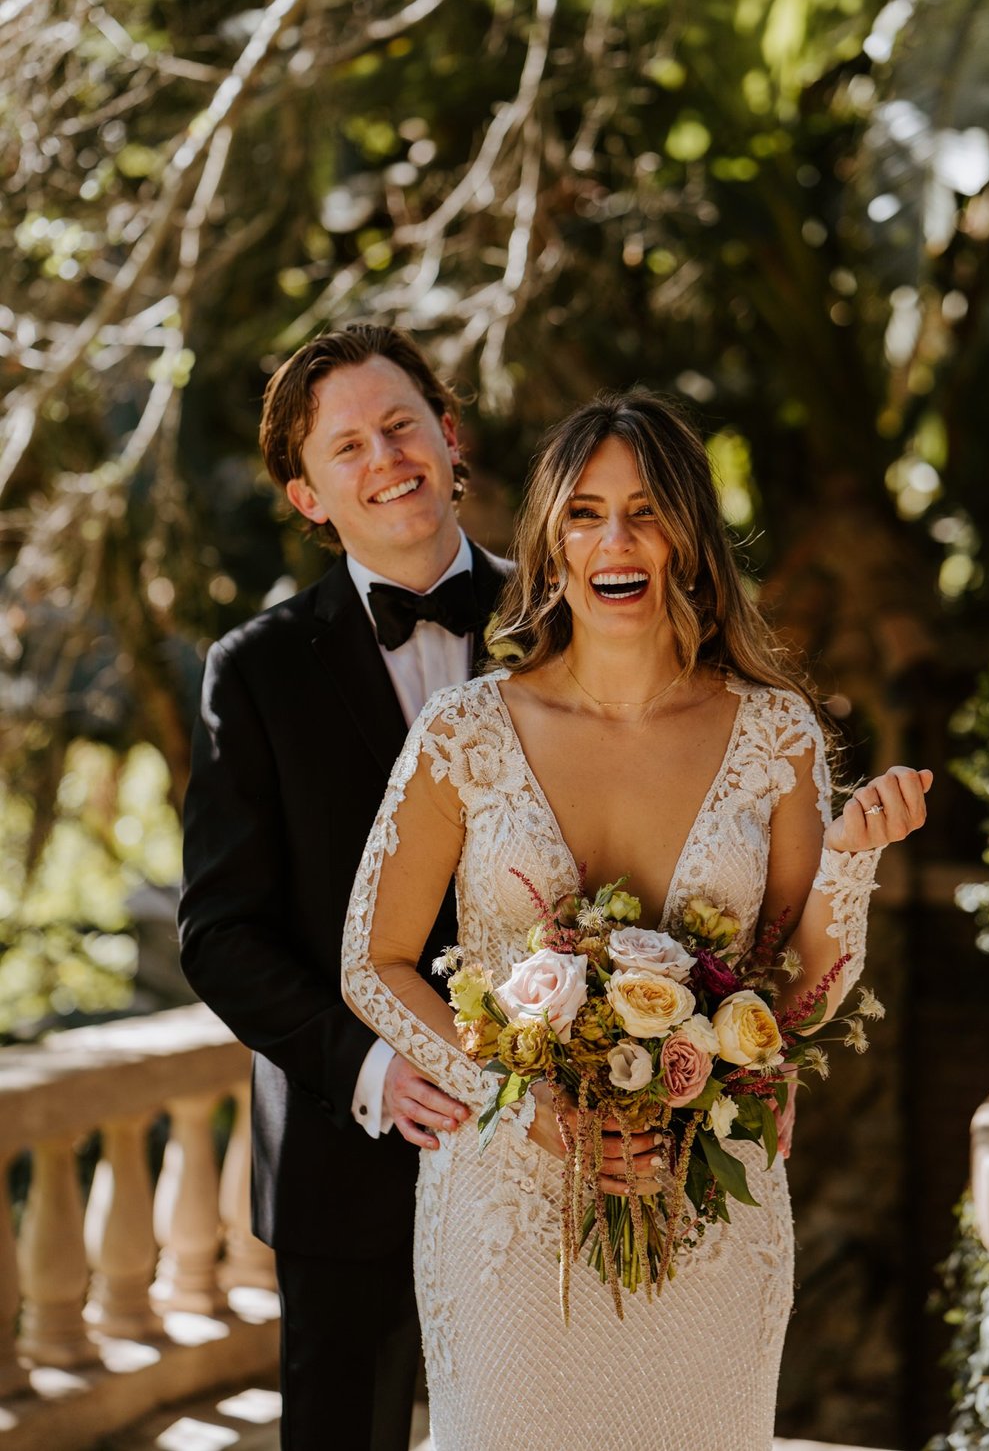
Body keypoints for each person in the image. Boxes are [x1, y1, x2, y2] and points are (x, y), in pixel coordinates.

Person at [341, 389, 931, 1451]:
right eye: (584, 512)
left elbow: (798, 995)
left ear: (689, 541)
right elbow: (371, 962)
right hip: (508, 1214)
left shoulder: (775, 734)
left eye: (647, 510)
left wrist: (849, 864)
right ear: (550, 543)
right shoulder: (463, 732)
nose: (615, 539)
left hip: (708, 1198)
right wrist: (517, 1105)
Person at [178, 324, 510, 1451]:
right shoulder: (256, 672)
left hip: (554, 1144)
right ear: (308, 495)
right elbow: (220, 933)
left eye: (402, 424)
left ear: (449, 434)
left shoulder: (568, 627)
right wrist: (367, 1067)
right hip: (347, 1149)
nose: (387, 459)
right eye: (349, 446)